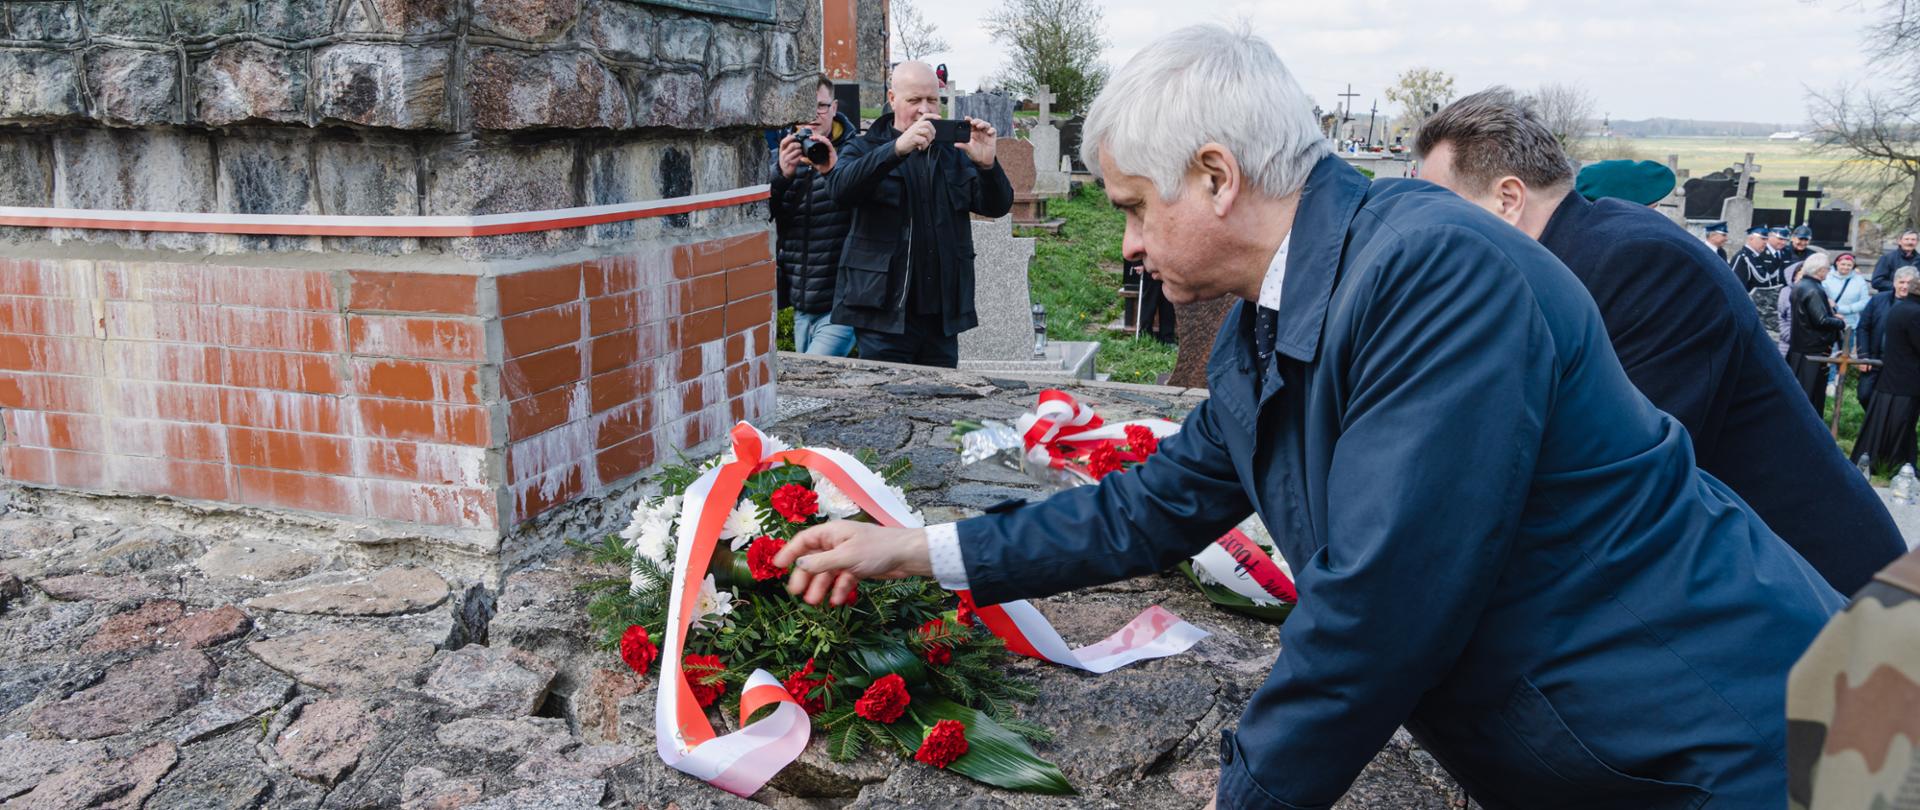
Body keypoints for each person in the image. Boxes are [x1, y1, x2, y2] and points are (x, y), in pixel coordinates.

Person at [776, 27, 1843, 809]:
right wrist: (913, 550)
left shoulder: (1438, 273)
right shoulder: (1268, 316)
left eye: (1138, 208)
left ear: (1217, 177)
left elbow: (1379, 605)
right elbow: (1151, 508)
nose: (1131, 249)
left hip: (1748, 743)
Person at [1416, 88, 1905, 597]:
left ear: (1508, 199)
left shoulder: (1638, 263)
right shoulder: (1576, 258)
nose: (1433, 234)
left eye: (1443, 210)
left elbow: (1617, 479)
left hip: (1820, 598)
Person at [826, 61, 1014, 368]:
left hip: (941, 316)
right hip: (882, 314)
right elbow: (839, 190)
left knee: (939, 408)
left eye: (932, 100)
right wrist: (895, 150)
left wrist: (987, 166)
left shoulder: (954, 152)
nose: (924, 110)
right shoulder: (863, 147)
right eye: (914, 100)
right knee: (887, 405)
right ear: (892, 98)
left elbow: (996, 206)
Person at [770, 77, 858, 357]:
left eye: (821, 106)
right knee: (808, 388)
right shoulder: (782, 156)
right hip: (801, 299)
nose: (814, 115)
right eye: (806, 107)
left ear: (834, 108)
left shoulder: (853, 154)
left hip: (841, 301)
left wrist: (831, 170)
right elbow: (759, 216)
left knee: (809, 372)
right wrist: (781, 176)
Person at [1853, 266, 1920, 472]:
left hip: (1893, 371)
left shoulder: (1900, 308)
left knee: (1888, 419)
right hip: (1904, 374)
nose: (1904, 286)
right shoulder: (1911, 311)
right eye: (1901, 282)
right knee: (1900, 420)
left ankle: (1891, 461)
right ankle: (1896, 462)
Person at [1789, 254, 1845, 414]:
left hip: (1801, 347)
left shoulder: (1801, 285)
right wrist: (1839, 322)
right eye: (1827, 268)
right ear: (1820, 270)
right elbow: (1820, 320)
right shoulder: (1813, 289)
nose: (1828, 272)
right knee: (1810, 396)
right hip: (1813, 349)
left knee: (1801, 393)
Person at [1854, 267, 1913, 409]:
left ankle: (1886, 428)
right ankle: (1873, 424)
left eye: (1909, 283)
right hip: (1874, 359)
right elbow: (1863, 327)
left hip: (1900, 364)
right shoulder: (1878, 300)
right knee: (1865, 394)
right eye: (1901, 282)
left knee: (1895, 402)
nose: (1905, 286)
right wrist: (1863, 356)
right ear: (1894, 282)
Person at [1731, 225, 1789, 332]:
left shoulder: (1758, 257)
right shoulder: (1743, 257)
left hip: (1762, 310)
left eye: (1767, 239)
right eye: (1762, 239)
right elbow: (1736, 286)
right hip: (1748, 309)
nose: (1765, 243)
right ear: (1751, 238)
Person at [1825, 252, 1871, 335]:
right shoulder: (1826, 277)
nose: (1846, 267)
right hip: (1830, 321)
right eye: (1843, 264)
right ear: (1837, 263)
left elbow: (1865, 301)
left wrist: (1843, 309)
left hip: (1850, 323)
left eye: (1849, 265)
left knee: (1846, 347)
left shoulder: (1859, 280)